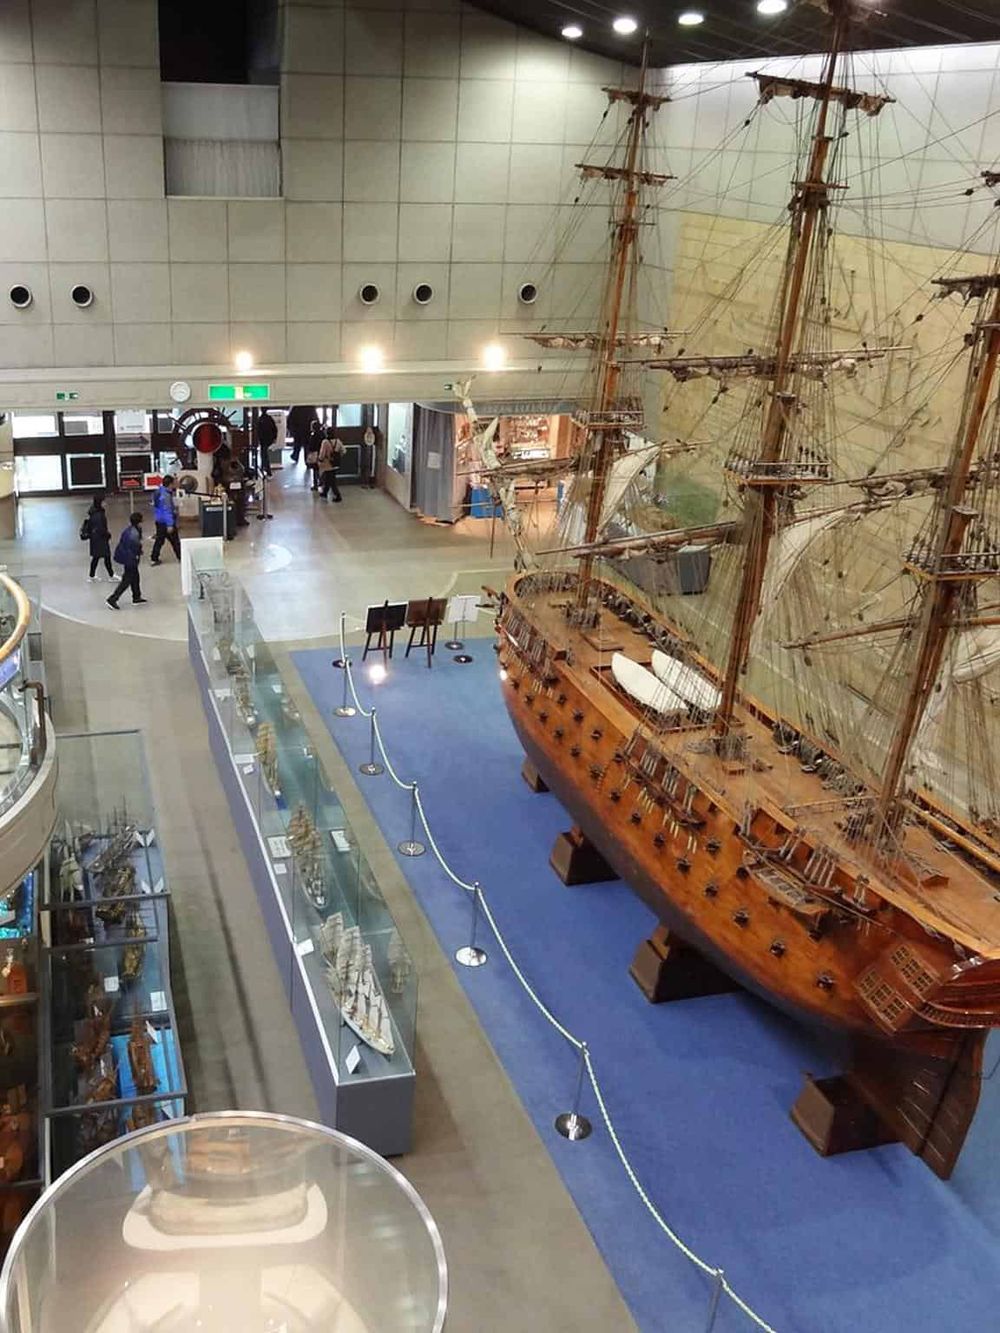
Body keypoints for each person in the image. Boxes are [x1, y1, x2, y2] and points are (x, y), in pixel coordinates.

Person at [106, 512, 147, 610]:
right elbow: (134, 547)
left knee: (135, 577)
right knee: (127, 580)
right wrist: (138, 554)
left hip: (127, 557)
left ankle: (136, 596)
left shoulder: (130, 530)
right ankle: (112, 599)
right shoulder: (134, 533)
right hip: (130, 558)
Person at [150, 475, 181, 564]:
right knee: (175, 541)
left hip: (159, 520)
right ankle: (181, 557)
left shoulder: (158, 491)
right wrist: (170, 525)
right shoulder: (166, 495)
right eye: (174, 483)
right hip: (166, 522)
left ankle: (154, 558)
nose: (175, 484)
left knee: (159, 540)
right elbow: (167, 510)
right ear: (170, 484)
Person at [82, 494, 112, 581]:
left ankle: (92, 575)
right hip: (100, 539)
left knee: (97, 557)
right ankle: (111, 575)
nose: (105, 503)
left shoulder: (94, 512)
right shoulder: (99, 514)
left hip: (95, 538)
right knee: (106, 556)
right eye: (103, 501)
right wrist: (107, 535)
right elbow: (101, 527)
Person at [317, 430, 345, 502]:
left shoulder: (325, 442)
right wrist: (337, 456)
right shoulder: (338, 441)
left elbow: (322, 454)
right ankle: (324, 493)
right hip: (335, 463)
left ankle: (337, 495)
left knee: (331, 480)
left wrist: (319, 460)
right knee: (329, 478)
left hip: (327, 464)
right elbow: (344, 451)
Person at [256, 409, 277, 476]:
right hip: (268, 439)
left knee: (263, 454)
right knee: (264, 453)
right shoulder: (269, 419)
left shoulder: (260, 419)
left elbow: (258, 430)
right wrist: (274, 437)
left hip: (263, 439)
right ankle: (265, 468)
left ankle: (267, 469)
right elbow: (274, 429)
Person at [306, 420, 324, 490]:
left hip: (315, 454)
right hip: (322, 452)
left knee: (315, 469)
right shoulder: (323, 435)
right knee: (321, 469)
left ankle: (315, 484)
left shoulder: (313, 436)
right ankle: (321, 481)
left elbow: (311, 446)